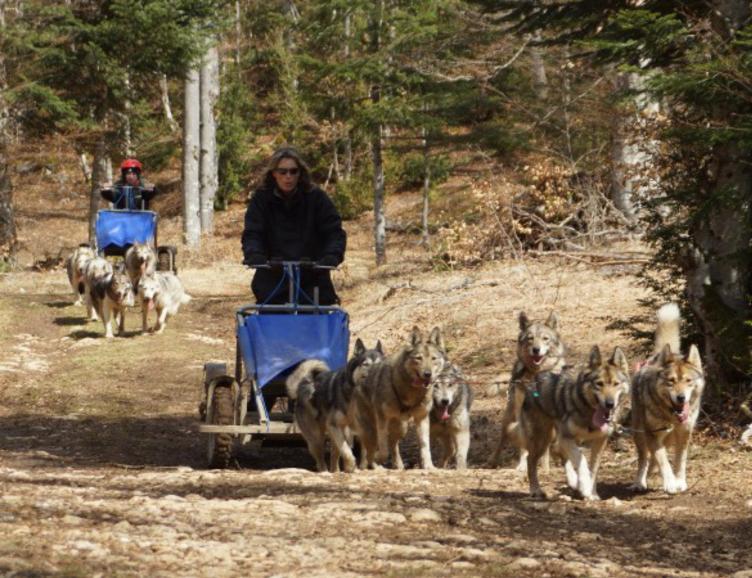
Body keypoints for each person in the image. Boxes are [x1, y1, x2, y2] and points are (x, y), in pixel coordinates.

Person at [242, 146, 347, 306]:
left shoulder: (316, 198)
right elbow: (253, 232)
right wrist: (254, 254)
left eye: (293, 171)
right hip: (273, 278)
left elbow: (333, 231)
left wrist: (332, 255)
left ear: (300, 173)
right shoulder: (262, 199)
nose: (288, 177)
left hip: (313, 278)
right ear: (274, 173)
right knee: (268, 326)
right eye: (282, 172)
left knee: (320, 326)